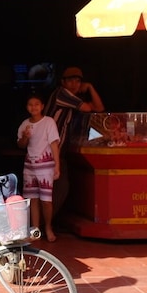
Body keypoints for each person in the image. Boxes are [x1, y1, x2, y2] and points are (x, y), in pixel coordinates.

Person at [44, 65, 103, 218]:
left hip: (56, 153)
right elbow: (88, 108)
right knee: (59, 189)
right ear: (63, 82)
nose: (75, 85)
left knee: (52, 190)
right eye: (71, 81)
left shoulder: (71, 97)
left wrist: (89, 87)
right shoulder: (62, 94)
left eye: (78, 81)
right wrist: (88, 88)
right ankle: (43, 226)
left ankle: (46, 225)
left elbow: (99, 108)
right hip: (48, 152)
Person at [17, 94, 61, 241]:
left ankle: (48, 227)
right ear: (27, 107)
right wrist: (25, 137)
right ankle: (36, 230)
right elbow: (21, 145)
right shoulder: (24, 124)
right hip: (30, 166)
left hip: (46, 166)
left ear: (42, 106)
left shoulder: (49, 122)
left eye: (37, 104)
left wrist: (57, 165)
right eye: (30, 104)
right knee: (32, 199)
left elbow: (54, 144)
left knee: (46, 200)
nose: (34, 107)